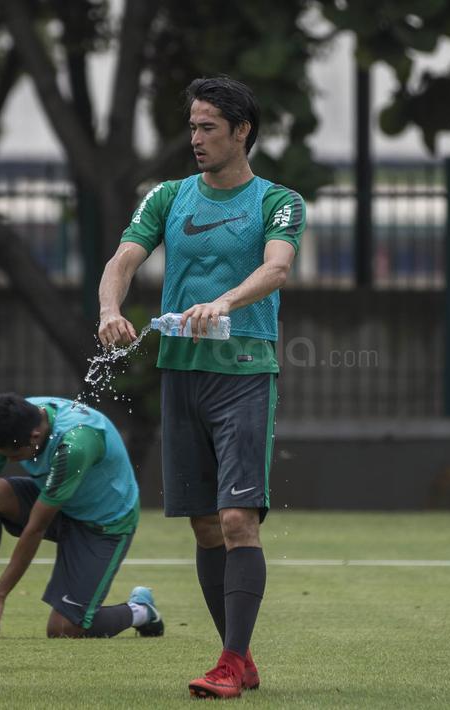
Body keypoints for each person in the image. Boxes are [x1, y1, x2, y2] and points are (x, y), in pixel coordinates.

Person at [97, 75, 305, 698]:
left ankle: (230, 659)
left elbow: (276, 268)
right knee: (205, 527)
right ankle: (236, 658)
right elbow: (122, 260)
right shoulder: (167, 195)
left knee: (238, 517)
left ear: (242, 131)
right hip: (181, 377)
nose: (196, 138)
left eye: (208, 126)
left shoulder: (279, 200)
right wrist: (111, 309)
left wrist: (224, 301)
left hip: (243, 375)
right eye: (191, 126)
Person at [0, 393, 163, 641]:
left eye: (13, 456)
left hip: (102, 525)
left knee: (64, 630)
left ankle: (142, 611)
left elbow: (36, 527)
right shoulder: (9, 422)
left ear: (34, 437)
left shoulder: (75, 444)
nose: (9, 461)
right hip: (60, 504)